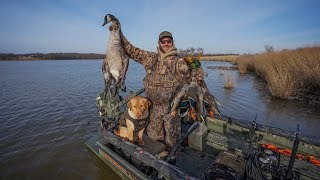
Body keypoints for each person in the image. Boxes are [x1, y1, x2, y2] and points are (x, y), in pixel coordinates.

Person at [111, 22, 219, 147]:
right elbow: (131, 50)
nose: (166, 44)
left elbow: (196, 81)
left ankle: (172, 160)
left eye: (169, 41)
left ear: (172, 43)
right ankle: (156, 157)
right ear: (159, 43)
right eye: (163, 41)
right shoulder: (151, 58)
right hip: (153, 108)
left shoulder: (179, 62)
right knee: (152, 139)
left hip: (171, 109)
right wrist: (118, 31)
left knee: (172, 141)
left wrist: (197, 70)